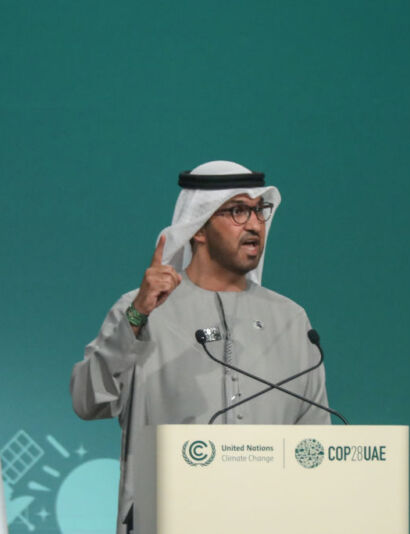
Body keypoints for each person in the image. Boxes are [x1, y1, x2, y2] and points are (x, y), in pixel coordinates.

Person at [70, 160, 331, 534]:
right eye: (238, 211)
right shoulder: (144, 309)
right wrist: (136, 317)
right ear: (199, 228)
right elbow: (86, 401)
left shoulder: (291, 321)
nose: (255, 224)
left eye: (260, 210)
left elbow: (314, 444)